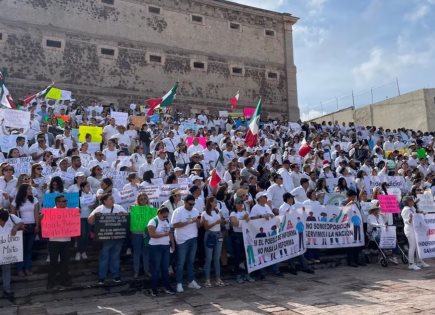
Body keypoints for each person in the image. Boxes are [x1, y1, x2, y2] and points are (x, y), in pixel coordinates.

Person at [88, 193, 128, 284]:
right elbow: (90, 221)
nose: (113, 200)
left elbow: (127, 219)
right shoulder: (99, 209)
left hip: (118, 237)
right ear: (104, 201)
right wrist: (95, 215)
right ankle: (102, 277)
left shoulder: (119, 207)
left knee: (115, 257)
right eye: (110, 199)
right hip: (105, 239)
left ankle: (116, 275)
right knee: (104, 257)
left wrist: (124, 215)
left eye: (113, 198)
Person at [171, 194, 201, 293]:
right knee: (180, 263)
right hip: (182, 240)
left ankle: (191, 280)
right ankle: (179, 283)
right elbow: (175, 225)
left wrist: (198, 221)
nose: (192, 206)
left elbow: (199, 225)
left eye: (193, 204)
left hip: (193, 238)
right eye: (190, 204)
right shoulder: (178, 211)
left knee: (190, 262)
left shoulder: (195, 211)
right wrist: (189, 222)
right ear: (185, 202)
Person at [11, 184, 40, 276]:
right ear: (23, 190)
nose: (31, 190)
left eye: (31, 189)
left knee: (29, 249)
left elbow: (36, 214)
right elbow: (12, 215)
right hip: (21, 226)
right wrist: (18, 225)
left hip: (32, 225)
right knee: (20, 249)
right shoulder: (16, 201)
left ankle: (27, 268)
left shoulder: (34, 200)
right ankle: (20, 269)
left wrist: (37, 225)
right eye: (29, 189)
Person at [46, 195, 73, 289]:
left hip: (66, 240)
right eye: (63, 201)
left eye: (65, 201)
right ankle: (51, 282)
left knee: (65, 262)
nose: (65, 202)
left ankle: (64, 280)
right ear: (57, 203)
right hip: (54, 241)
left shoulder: (70, 211)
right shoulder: (50, 212)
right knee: (53, 262)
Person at [147, 207, 176, 296]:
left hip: (166, 246)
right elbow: (152, 234)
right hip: (155, 247)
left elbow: (170, 233)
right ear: (159, 213)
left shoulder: (167, 221)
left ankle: (167, 287)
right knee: (156, 269)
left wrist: (173, 244)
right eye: (164, 216)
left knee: (165, 268)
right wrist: (164, 234)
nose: (165, 218)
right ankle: (154, 288)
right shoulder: (152, 221)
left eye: (166, 216)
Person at [201, 196, 226, 287]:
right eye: (215, 201)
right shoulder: (204, 213)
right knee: (209, 258)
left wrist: (223, 220)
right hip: (209, 235)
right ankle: (207, 279)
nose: (216, 203)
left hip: (218, 234)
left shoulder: (218, 211)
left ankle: (218, 278)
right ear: (210, 202)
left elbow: (222, 221)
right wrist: (216, 222)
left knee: (217, 258)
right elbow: (206, 227)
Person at [229, 197, 255, 283]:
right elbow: (234, 223)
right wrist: (243, 219)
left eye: (241, 203)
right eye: (238, 203)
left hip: (246, 235)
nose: (240, 205)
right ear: (235, 205)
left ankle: (247, 274)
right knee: (237, 255)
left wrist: (245, 220)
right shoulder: (233, 213)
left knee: (246, 255)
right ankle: (238, 275)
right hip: (237, 235)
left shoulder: (246, 212)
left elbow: (250, 222)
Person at [0, 208, 24, 297]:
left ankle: (7, 288)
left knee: (6, 269)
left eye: (4, 221)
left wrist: (15, 227)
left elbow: (21, 222)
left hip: (7, 251)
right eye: (1, 221)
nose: (2, 223)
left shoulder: (11, 217)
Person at [401, 195, 430, 270]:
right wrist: (410, 218)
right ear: (407, 202)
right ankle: (411, 264)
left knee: (418, 246)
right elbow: (407, 222)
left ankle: (419, 261)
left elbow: (416, 214)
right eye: (411, 200)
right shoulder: (405, 210)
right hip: (409, 230)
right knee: (412, 246)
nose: (413, 202)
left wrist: (421, 213)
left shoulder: (412, 208)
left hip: (415, 229)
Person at [131, 192, 152, 279]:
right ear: (138, 200)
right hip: (136, 234)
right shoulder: (134, 208)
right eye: (141, 199)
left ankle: (146, 271)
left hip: (147, 234)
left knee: (146, 253)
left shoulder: (150, 208)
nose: (143, 200)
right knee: (137, 253)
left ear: (147, 199)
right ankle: (136, 272)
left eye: (145, 199)